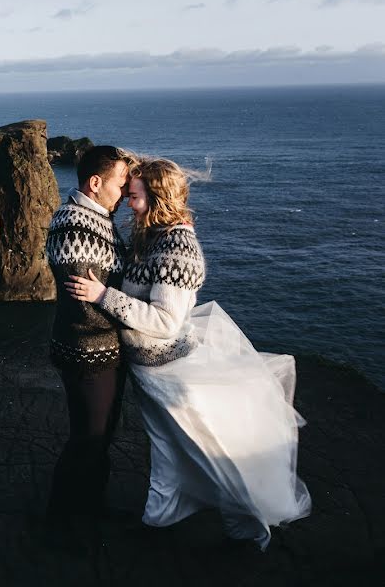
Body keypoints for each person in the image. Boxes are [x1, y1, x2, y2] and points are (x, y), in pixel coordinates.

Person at [64, 157, 311, 550]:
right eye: (128, 194)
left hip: (170, 372)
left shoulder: (179, 247)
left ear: (158, 197)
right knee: (165, 448)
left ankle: (246, 526)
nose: (129, 202)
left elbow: (164, 321)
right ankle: (159, 519)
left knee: (209, 450)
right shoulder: (152, 235)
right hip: (148, 369)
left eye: (136, 196)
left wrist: (102, 295)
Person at [43, 145, 134, 540]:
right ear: (95, 183)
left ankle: (91, 508)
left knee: (101, 439)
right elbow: (85, 304)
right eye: (120, 183)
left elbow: (105, 286)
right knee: (87, 440)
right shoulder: (74, 223)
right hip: (87, 351)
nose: (125, 192)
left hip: (105, 351)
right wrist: (134, 314)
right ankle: (59, 524)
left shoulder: (98, 217)